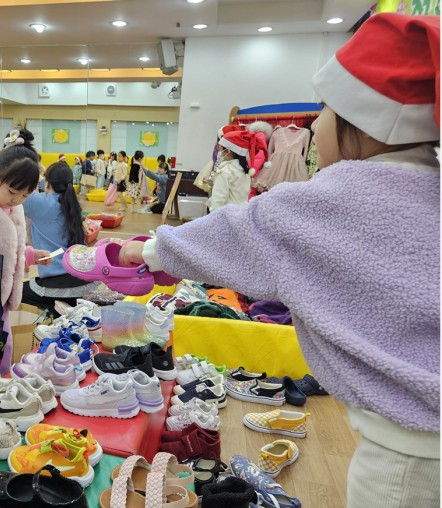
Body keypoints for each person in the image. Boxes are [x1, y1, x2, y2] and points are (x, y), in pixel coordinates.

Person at [119, 14, 439, 508]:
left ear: (361, 123)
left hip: (407, 448)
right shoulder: (428, 186)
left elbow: (242, 230)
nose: (315, 128)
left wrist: (146, 249)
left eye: (324, 111)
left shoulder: (336, 195)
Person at [0, 129, 53, 365]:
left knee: (2, 349)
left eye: (25, 195)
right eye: (12, 191)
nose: (17, 199)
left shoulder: (14, 208)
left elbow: (13, 249)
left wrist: (32, 255)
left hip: (0, 297)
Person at [21, 161, 99, 315]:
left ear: (47, 183)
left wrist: (36, 174)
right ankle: (63, 311)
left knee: (12, 291)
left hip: (56, 284)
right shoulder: (73, 204)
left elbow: (17, 190)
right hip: (83, 280)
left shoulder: (39, 202)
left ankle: (57, 311)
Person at [206, 130, 263, 212]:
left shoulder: (225, 171)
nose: (220, 153)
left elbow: (218, 201)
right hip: (241, 214)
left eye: (221, 149)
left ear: (228, 151)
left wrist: (213, 216)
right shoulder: (245, 171)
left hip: (226, 216)